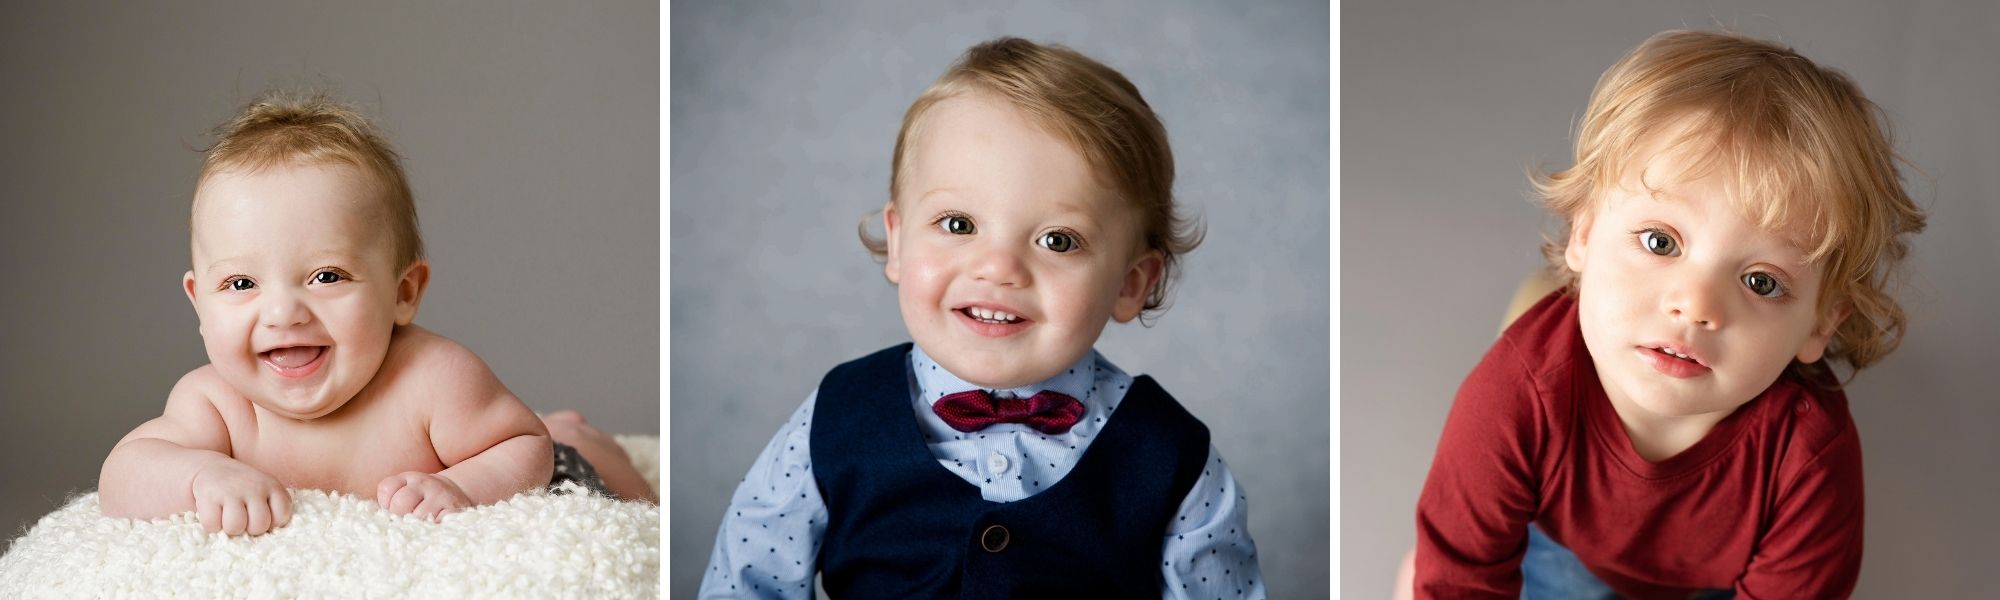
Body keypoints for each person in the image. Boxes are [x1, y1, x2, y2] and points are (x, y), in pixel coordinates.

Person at [699, 37, 1265, 598]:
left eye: (1058, 239)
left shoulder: (1171, 455)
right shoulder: (837, 417)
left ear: (1130, 283)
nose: (998, 268)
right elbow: (748, 581)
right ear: (898, 243)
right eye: (958, 225)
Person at [1401, 30, 1927, 598]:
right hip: (1558, 548)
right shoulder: (1515, 394)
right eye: (1660, 242)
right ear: (1584, 232)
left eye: (1760, 281)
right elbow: (1458, 580)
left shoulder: (1809, 456)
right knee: (1425, 575)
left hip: (1717, 584)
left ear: (1822, 323)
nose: (1696, 306)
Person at [97, 92, 656, 538]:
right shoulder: (214, 404)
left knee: (613, 480)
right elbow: (125, 471)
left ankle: (580, 433)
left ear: (403, 292)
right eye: (241, 283)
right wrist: (201, 475)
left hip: (536, 464)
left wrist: (461, 487)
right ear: (199, 303)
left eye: (327, 276)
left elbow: (521, 446)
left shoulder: (433, 379)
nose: (284, 312)